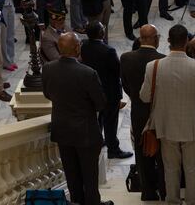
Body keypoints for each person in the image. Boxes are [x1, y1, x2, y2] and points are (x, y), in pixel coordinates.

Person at [140, 24, 195, 205]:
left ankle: (172, 200)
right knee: (192, 168)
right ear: (187, 42)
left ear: (167, 41)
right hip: (193, 126)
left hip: (166, 125)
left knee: (170, 168)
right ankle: (194, 201)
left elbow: (144, 96)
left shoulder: (153, 66)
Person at [42, 33, 113, 205]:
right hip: (86, 133)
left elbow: (47, 94)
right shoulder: (88, 73)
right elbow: (100, 103)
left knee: (72, 178)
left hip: (63, 131)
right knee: (90, 178)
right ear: (77, 48)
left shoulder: (48, 68)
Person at [120, 24, 166, 201]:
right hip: (159, 112)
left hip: (138, 112)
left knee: (141, 151)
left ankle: (147, 191)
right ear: (156, 39)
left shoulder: (126, 58)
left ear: (140, 39)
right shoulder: (162, 59)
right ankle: (164, 190)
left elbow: (125, 84)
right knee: (163, 154)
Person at [80, 21, 132, 159]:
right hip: (109, 91)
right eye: (103, 28)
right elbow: (117, 70)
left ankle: (99, 141)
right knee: (110, 121)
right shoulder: (109, 51)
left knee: (99, 119)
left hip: (92, 90)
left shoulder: (83, 46)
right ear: (101, 33)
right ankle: (113, 149)